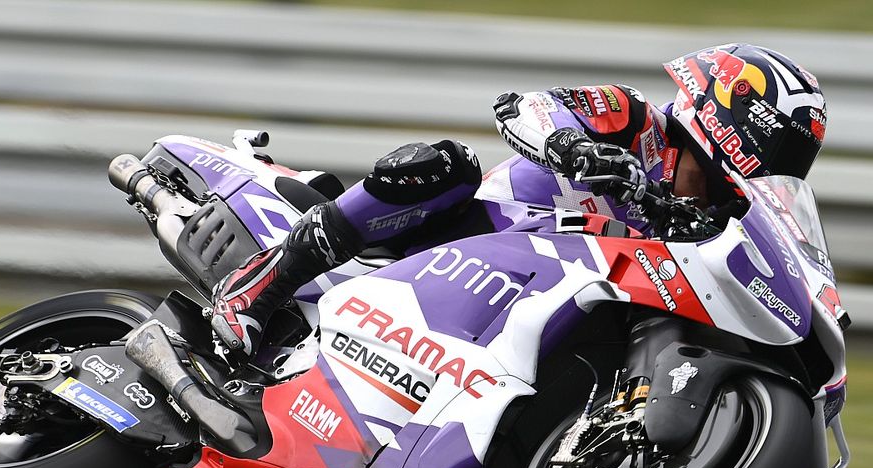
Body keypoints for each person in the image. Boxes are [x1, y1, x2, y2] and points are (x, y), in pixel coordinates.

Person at [211, 43, 827, 362]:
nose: (784, 164)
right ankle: (261, 283)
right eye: (782, 144)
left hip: (538, 309)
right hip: (461, 239)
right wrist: (572, 146)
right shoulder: (636, 119)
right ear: (739, 115)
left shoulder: (723, 220)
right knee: (446, 164)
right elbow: (524, 106)